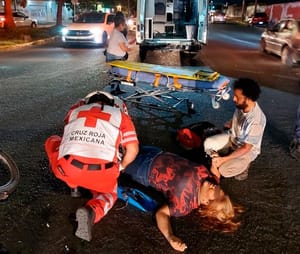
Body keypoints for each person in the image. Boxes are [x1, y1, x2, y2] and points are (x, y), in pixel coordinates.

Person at [45, 91, 139, 242]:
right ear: (111, 104)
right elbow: (133, 150)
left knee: (53, 140)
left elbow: (68, 135)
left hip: (68, 168)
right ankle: (92, 211)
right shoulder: (121, 116)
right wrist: (121, 167)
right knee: (110, 193)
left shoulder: (74, 111)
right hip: (101, 173)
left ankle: (73, 186)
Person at [123, 145, 242, 252]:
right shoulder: (210, 181)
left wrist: (170, 237)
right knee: (121, 140)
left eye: (216, 193)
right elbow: (216, 176)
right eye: (220, 190)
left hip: (143, 169)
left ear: (206, 202)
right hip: (156, 152)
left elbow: (162, 213)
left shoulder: (185, 204)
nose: (216, 187)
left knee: (111, 155)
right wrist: (215, 162)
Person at [204, 78, 266, 181]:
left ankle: (244, 166)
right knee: (208, 143)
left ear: (248, 98)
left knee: (224, 170)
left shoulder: (256, 121)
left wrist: (223, 160)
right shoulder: (242, 105)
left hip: (247, 150)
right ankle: (220, 157)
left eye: (237, 97)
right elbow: (237, 118)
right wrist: (231, 122)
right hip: (234, 138)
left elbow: (246, 147)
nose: (234, 99)